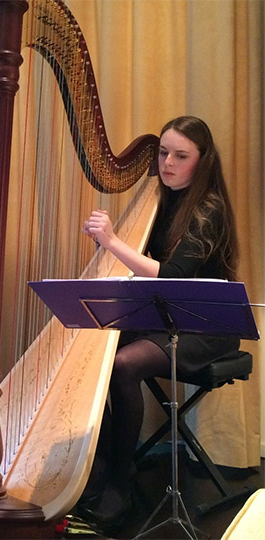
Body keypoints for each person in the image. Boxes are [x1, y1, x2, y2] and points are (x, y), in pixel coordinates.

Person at [78, 116, 240, 532]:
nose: (167, 163)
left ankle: (119, 479)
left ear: (202, 162)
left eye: (180, 156)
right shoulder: (159, 198)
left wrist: (112, 241)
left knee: (122, 364)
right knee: (89, 351)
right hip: (164, 317)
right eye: (164, 153)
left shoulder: (209, 209)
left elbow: (173, 276)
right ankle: (98, 465)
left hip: (206, 326)